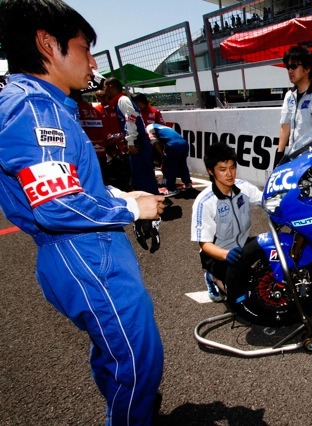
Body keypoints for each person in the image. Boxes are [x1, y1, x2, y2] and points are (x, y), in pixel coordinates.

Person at [0, 1, 165, 423]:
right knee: (137, 364)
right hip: (83, 254)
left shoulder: (44, 102)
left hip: (83, 251)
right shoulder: (37, 108)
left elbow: (68, 183)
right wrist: (131, 205)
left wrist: (114, 192)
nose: (93, 61)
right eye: (84, 48)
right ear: (46, 43)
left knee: (118, 357)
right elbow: (57, 205)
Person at [191, 143, 262, 302]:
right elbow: (205, 245)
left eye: (232, 167)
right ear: (211, 171)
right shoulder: (204, 203)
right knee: (240, 297)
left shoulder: (244, 187)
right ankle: (213, 277)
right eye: (223, 169)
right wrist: (226, 254)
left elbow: (267, 200)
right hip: (218, 255)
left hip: (242, 245)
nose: (229, 174)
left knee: (272, 248)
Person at [104, 77, 162, 252]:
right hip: (139, 143)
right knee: (143, 178)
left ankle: (150, 215)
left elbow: (130, 121)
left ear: (112, 87)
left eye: (105, 87)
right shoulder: (120, 101)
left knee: (142, 178)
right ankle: (151, 212)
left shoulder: (122, 100)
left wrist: (130, 142)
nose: (104, 91)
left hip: (138, 143)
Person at [275, 46, 312, 165]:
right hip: (292, 159)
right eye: (288, 67)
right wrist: (279, 156)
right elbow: (285, 127)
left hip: (311, 161)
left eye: (294, 66)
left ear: (307, 69)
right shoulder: (289, 96)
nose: (290, 71)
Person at [145, 123, 193, 196]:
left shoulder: (149, 128)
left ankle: (171, 189)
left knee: (170, 167)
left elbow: (154, 142)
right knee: (182, 165)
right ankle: (188, 183)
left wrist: (162, 155)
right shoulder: (164, 128)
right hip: (184, 143)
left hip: (174, 145)